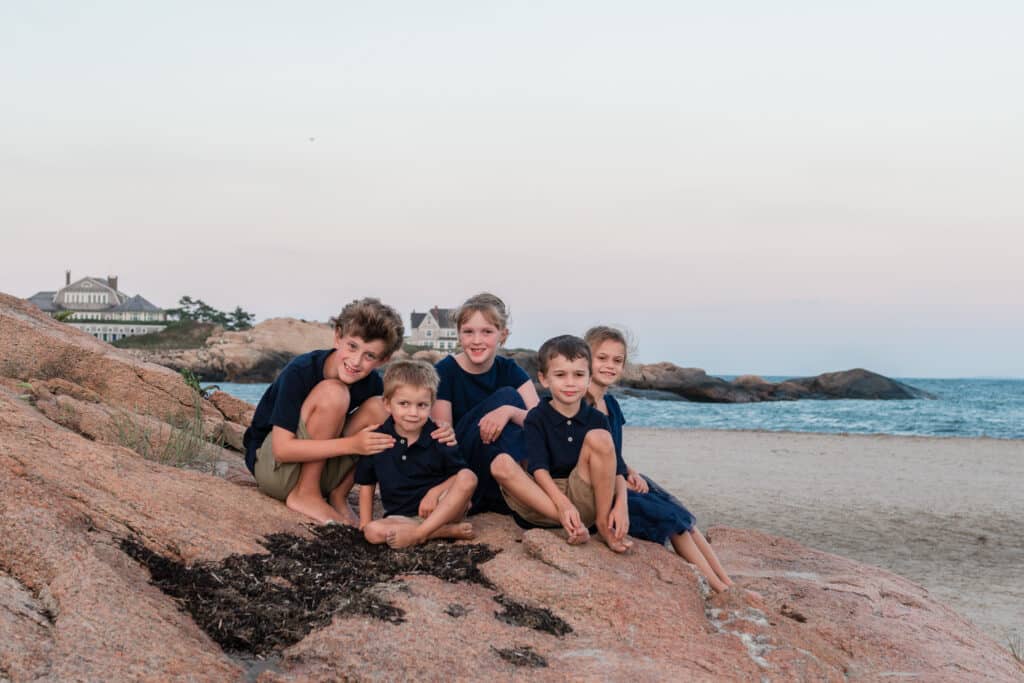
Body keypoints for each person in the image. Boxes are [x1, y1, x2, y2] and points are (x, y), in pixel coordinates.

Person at [243, 298, 449, 525]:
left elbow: (410, 422)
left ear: (383, 360)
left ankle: (338, 496)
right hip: (276, 470)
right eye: (352, 346)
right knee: (334, 392)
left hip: (325, 474)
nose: (356, 361)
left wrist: (439, 431)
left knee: (385, 408)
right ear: (338, 336)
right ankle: (306, 494)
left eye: (369, 355)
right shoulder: (301, 370)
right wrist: (354, 445)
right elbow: (282, 450)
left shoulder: (372, 384)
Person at [584, 326, 739, 592]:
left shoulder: (611, 405)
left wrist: (629, 470)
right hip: (597, 488)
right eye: (602, 358)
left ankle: (729, 582)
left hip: (617, 475)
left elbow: (614, 453)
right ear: (585, 358)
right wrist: (621, 480)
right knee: (670, 519)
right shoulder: (581, 404)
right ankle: (718, 587)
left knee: (681, 515)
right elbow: (589, 457)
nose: (610, 366)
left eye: (617, 360)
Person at [490, 335, 631, 553]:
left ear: (589, 378)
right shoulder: (536, 417)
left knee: (600, 438)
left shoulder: (597, 419)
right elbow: (538, 468)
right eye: (560, 375)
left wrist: (622, 505)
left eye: (578, 375)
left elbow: (618, 470)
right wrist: (563, 505)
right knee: (500, 463)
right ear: (544, 379)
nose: (570, 382)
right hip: (543, 502)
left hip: (583, 495)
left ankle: (602, 525)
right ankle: (571, 523)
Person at [432, 293, 539, 514]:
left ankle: (523, 486)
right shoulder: (445, 371)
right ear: (459, 335)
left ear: (503, 335)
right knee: (507, 395)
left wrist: (507, 412)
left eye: (487, 332)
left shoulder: (509, 369)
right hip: (466, 463)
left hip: (501, 464)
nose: (477, 340)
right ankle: (530, 491)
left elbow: (541, 420)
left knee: (509, 403)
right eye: (468, 332)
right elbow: (444, 435)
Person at [357, 360, 478, 548]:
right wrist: (364, 523)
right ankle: (441, 533)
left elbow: (459, 476)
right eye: (404, 404)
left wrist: (434, 493)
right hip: (400, 517)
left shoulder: (439, 436)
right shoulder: (377, 439)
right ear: (387, 404)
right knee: (373, 531)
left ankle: (421, 534)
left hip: (440, 511)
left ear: (431, 404)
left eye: (422, 405)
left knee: (468, 477)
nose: (413, 413)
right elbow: (367, 483)